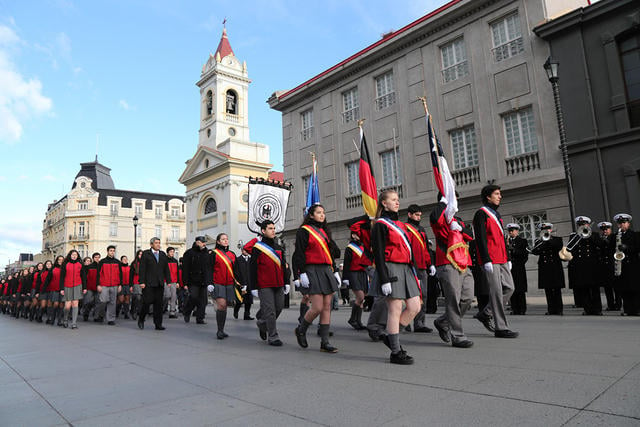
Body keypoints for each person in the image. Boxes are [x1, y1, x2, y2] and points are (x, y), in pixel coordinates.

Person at [369, 190, 421, 364]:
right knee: (395, 309)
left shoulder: (400, 224)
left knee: (414, 307)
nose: (397, 202)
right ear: (384, 203)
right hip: (391, 268)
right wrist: (384, 279)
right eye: (393, 199)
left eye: (398, 199)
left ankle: (391, 337)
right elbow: (378, 254)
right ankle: (396, 351)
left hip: (406, 268)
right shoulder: (380, 224)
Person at [293, 203, 341, 353]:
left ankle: (324, 342)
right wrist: (301, 273)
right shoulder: (304, 231)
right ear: (311, 215)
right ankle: (301, 330)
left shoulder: (325, 232)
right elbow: (299, 253)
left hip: (326, 269)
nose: (322, 215)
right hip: (312, 269)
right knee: (317, 307)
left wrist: (334, 271)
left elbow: (331, 253)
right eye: (318, 212)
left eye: (323, 212)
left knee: (327, 306)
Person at [430, 192, 475, 348]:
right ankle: (457, 335)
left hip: (464, 262)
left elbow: (470, 235)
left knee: (468, 297)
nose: (456, 203)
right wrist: (442, 203)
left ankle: (443, 321)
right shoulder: (438, 217)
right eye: (453, 200)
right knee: (453, 300)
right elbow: (436, 218)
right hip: (447, 263)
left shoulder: (458, 220)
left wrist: (461, 229)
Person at [472, 184, 518, 338]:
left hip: (502, 258)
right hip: (491, 259)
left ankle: (486, 313)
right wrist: (485, 259)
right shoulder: (481, 214)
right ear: (488, 197)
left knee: (510, 288)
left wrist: (509, 258)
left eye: (500, 194)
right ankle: (501, 328)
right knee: (497, 292)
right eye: (497, 194)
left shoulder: (496, 215)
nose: (500, 196)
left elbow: (502, 238)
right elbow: (481, 239)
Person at [250, 220, 290, 346]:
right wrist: (254, 287)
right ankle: (273, 337)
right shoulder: (257, 248)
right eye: (270, 228)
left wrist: (286, 282)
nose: (273, 230)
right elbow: (252, 269)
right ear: (263, 231)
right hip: (264, 285)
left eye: (274, 228)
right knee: (270, 311)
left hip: (278, 283)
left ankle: (262, 323)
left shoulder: (278, 248)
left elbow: (284, 266)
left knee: (279, 307)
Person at [405, 204, 436, 333]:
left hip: (422, 267)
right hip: (410, 266)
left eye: (419, 215)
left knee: (423, 294)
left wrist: (431, 264)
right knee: (409, 295)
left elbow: (426, 249)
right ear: (409, 215)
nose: (418, 217)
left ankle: (419, 323)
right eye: (416, 215)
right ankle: (405, 320)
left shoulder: (422, 229)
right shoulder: (405, 228)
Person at [567, 216, 604, 315]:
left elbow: (601, 245)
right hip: (580, 266)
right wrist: (578, 236)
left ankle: (597, 309)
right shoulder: (574, 236)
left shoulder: (594, 235)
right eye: (579, 225)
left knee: (594, 289)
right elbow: (569, 248)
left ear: (588, 224)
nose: (581, 226)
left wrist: (589, 235)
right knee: (584, 289)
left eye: (583, 224)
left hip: (592, 266)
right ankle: (587, 309)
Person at [343, 220, 373, 331]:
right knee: (360, 297)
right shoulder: (349, 248)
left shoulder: (363, 247)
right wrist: (345, 278)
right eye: (357, 234)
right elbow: (346, 264)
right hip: (353, 273)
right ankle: (352, 319)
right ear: (353, 235)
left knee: (362, 298)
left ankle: (358, 321)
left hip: (363, 274)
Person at [530, 223, 565, 315]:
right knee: (548, 289)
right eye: (543, 230)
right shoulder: (539, 241)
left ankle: (559, 309)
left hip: (555, 266)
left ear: (551, 230)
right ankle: (551, 309)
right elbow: (535, 251)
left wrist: (548, 240)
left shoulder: (557, 239)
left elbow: (558, 247)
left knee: (557, 289)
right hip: (544, 267)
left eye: (547, 229)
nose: (545, 231)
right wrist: (542, 241)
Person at [137, 237, 171, 330]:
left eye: (159, 243)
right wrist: (141, 282)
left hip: (159, 283)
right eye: (156, 243)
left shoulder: (163, 254)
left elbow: (166, 269)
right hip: (148, 283)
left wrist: (168, 281)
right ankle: (141, 319)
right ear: (151, 244)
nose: (158, 244)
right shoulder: (146, 254)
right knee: (147, 302)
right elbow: (142, 269)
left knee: (158, 305)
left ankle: (158, 324)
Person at [210, 233, 237, 339]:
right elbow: (209, 269)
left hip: (230, 284)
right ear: (218, 241)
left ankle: (222, 328)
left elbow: (236, 270)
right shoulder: (213, 253)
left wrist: (242, 283)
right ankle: (219, 331)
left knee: (225, 306)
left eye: (227, 239)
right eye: (223, 239)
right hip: (218, 283)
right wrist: (209, 283)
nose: (226, 241)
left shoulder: (232, 254)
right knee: (221, 305)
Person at [612, 214, 639, 316]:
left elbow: (637, 248)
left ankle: (637, 309)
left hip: (632, 265)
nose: (622, 225)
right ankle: (627, 309)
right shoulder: (616, 236)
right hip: (621, 265)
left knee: (635, 289)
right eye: (620, 223)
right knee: (624, 289)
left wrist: (626, 247)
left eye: (624, 223)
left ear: (628, 223)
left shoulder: (635, 235)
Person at [182, 236, 211, 325]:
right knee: (193, 297)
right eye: (202, 242)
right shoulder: (189, 253)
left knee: (203, 301)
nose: (204, 244)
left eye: (204, 242)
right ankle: (187, 312)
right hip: (193, 280)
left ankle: (200, 318)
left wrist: (209, 281)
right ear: (197, 242)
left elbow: (209, 268)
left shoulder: (207, 253)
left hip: (204, 280)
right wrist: (185, 282)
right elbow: (185, 269)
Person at [596, 222, 620, 311]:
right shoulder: (600, 239)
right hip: (604, 266)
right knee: (607, 287)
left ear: (610, 229)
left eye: (606, 229)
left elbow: (614, 247)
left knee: (616, 287)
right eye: (603, 230)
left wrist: (606, 240)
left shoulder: (614, 237)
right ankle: (610, 305)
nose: (605, 231)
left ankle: (618, 304)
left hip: (613, 264)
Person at [96, 245, 122, 325]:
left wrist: (120, 285)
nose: (112, 252)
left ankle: (111, 319)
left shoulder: (117, 262)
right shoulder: (102, 262)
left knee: (112, 302)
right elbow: (98, 274)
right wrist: (98, 285)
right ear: (107, 251)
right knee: (103, 301)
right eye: (111, 250)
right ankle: (101, 315)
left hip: (114, 284)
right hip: (104, 285)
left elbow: (120, 274)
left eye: (113, 251)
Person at [506, 224, 529, 315]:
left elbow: (524, 254)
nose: (511, 232)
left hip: (519, 267)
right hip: (509, 268)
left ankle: (522, 309)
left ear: (517, 231)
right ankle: (514, 308)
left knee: (520, 289)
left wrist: (513, 249)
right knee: (512, 288)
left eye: (513, 230)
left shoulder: (522, 241)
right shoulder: (506, 241)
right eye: (510, 231)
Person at [59, 249, 85, 329]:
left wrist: (85, 287)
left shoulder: (80, 264)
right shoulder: (65, 264)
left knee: (75, 304)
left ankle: (74, 323)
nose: (74, 256)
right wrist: (61, 288)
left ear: (77, 256)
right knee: (67, 305)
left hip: (77, 285)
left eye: (76, 255)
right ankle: (65, 320)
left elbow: (83, 276)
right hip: (67, 286)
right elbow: (62, 277)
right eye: (73, 254)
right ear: (70, 255)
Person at [233, 248, 254, 320]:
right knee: (240, 300)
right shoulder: (238, 260)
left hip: (249, 283)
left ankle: (247, 315)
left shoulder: (251, 260)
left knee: (249, 300)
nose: (247, 252)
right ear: (242, 251)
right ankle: (236, 311)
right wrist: (240, 283)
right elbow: (236, 272)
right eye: (245, 250)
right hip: (241, 283)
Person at [43, 256, 64, 325]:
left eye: (62, 260)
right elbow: (47, 280)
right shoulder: (53, 268)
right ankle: (52, 318)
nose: (60, 261)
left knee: (61, 305)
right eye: (59, 260)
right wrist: (44, 289)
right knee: (55, 304)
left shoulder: (65, 268)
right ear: (57, 260)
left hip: (63, 289)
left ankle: (59, 321)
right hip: (54, 288)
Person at [82, 253, 101, 321]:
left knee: (98, 302)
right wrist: (84, 287)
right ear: (93, 258)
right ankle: (86, 314)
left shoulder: (101, 266)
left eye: (98, 257)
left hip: (98, 287)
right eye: (96, 257)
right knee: (88, 301)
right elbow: (84, 278)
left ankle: (96, 317)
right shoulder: (88, 267)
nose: (97, 259)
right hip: (89, 287)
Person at [165, 247, 180, 319]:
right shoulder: (164, 260)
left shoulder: (175, 261)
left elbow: (177, 272)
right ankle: (163, 308)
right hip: (165, 281)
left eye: (173, 252)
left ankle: (172, 312)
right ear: (167, 252)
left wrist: (178, 282)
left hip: (174, 281)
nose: (172, 253)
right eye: (171, 251)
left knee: (174, 297)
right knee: (167, 295)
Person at [129, 250, 143, 320]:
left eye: (142, 254)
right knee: (137, 297)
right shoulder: (134, 263)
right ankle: (134, 311)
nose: (141, 256)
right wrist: (131, 285)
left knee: (141, 299)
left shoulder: (145, 263)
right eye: (139, 254)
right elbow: (131, 275)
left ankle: (139, 312)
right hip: (136, 282)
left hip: (144, 283)